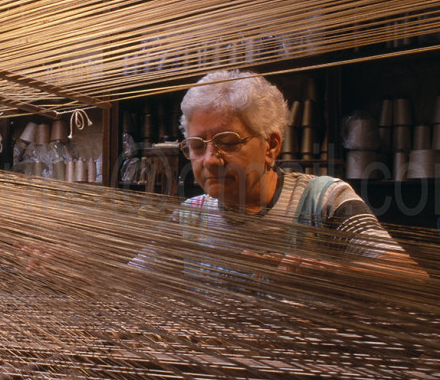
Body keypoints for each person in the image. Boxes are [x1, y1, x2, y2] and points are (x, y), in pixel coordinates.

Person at [168, 69, 422, 277]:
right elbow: (136, 279)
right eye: (197, 146)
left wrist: (338, 275)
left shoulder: (324, 201)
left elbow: (411, 278)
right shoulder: (191, 217)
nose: (210, 160)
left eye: (229, 142)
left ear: (271, 146)